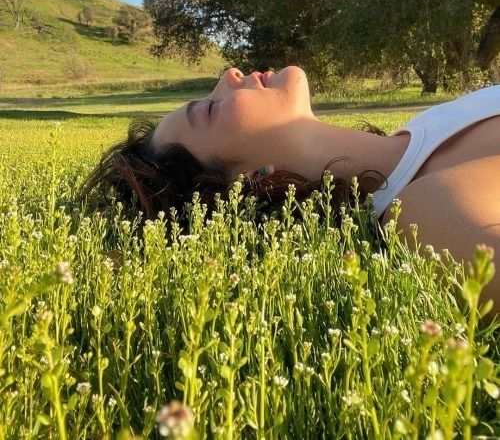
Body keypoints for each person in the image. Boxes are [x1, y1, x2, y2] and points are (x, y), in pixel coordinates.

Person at [82, 66, 500, 314]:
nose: (228, 76)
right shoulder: (429, 216)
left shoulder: (424, 125)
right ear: (251, 184)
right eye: (209, 109)